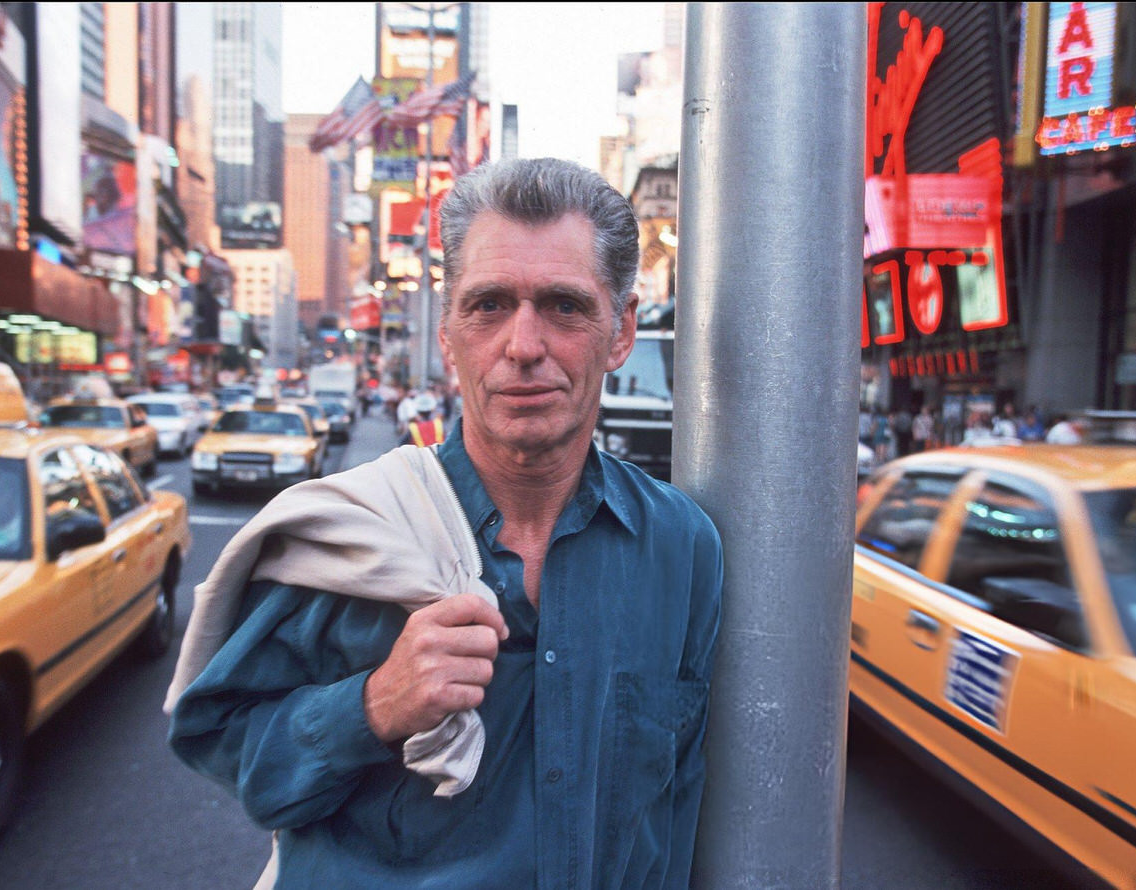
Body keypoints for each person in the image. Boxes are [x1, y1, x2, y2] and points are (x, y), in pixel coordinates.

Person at [166, 157, 724, 889]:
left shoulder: (681, 549)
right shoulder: (351, 534)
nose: (523, 346)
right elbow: (224, 746)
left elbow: (677, 813)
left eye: (564, 306)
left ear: (619, 333)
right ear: (448, 332)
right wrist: (371, 707)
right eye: (489, 305)